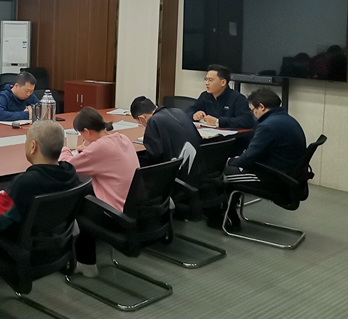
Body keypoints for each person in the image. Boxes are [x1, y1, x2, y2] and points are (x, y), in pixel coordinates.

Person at [0, 119, 80, 241]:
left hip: (8, 245)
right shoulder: (70, 174)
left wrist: (0, 202)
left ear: (33, 146)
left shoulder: (24, 183)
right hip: (51, 242)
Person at [211, 88, 307, 230]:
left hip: (273, 180)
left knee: (219, 174)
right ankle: (228, 214)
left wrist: (230, 161)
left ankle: (228, 220)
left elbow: (247, 159)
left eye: (253, 110)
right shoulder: (287, 119)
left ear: (261, 107)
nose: (253, 114)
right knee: (231, 168)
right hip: (287, 177)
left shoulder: (268, 126)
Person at [59, 107, 139, 277]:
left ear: (87, 131)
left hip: (117, 217)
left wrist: (65, 149)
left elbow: (67, 167)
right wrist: (88, 151)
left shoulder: (99, 148)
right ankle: (85, 259)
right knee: (86, 193)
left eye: (81, 134)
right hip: (134, 209)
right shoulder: (122, 138)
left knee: (75, 205)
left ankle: (86, 264)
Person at [131, 95, 202, 218]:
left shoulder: (153, 121)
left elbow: (154, 156)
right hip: (192, 174)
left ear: (141, 119)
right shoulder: (179, 112)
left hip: (176, 180)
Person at [184, 64, 255, 129]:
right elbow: (189, 111)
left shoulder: (237, 98)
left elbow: (246, 120)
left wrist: (218, 121)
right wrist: (194, 115)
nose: (206, 83)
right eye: (206, 79)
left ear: (223, 82)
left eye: (210, 80)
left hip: (230, 137)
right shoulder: (205, 96)